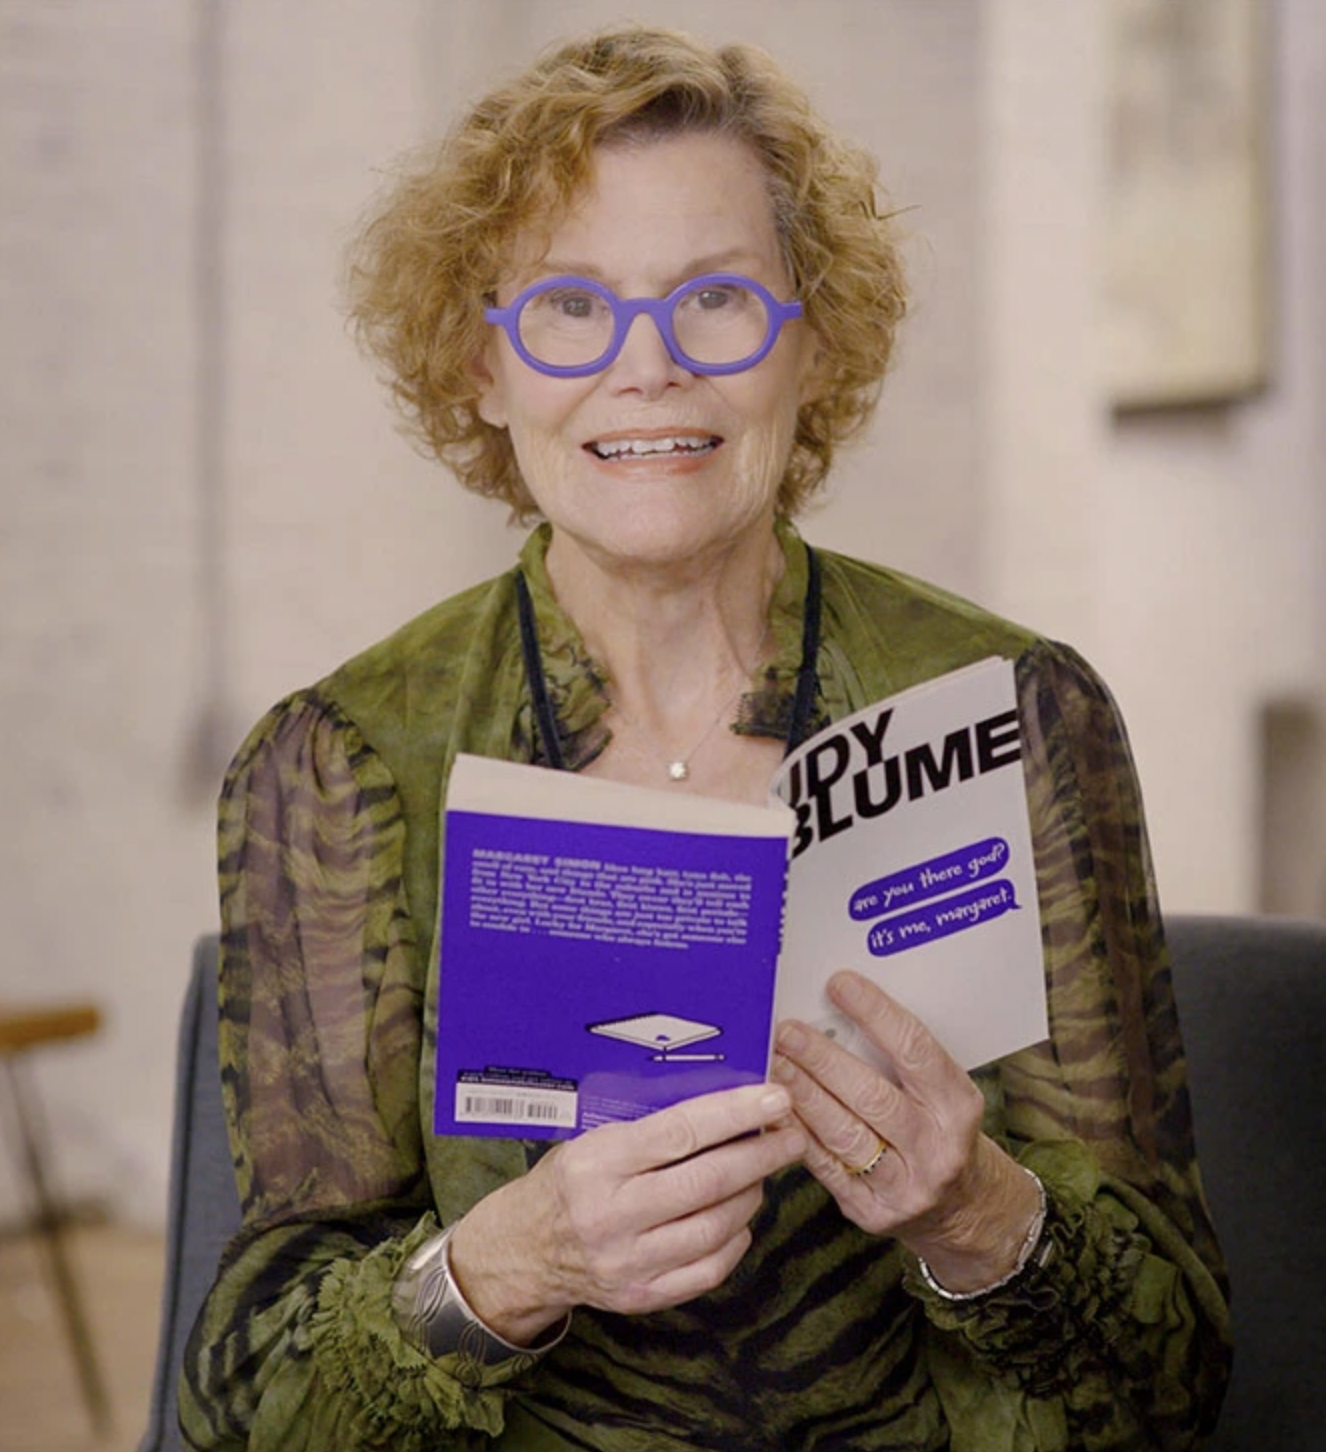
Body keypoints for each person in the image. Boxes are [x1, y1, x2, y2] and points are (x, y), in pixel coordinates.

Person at [180, 24, 1231, 1452]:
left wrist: (973, 1209)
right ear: (479, 368)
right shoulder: (340, 767)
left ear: (811, 342)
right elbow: (252, 1401)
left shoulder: (1013, 713)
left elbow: (1176, 1378)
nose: (648, 368)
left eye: (717, 302)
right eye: (567, 307)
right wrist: (507, 1266)